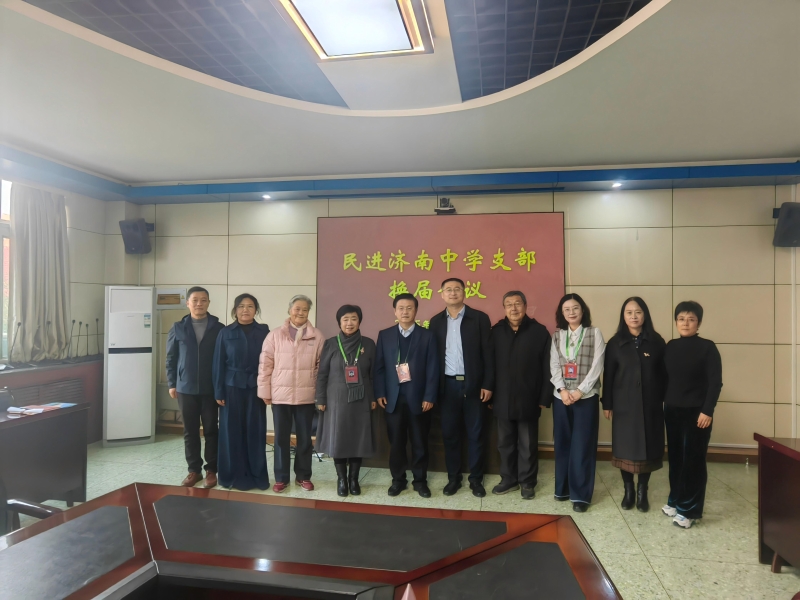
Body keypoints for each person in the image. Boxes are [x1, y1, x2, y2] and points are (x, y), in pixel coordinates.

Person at [429, 277, 494, 498]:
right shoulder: (436, 322)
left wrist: (488, 383)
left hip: (474, 385)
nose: (453, 292)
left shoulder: (479, 318)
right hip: (447, 386)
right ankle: (453, 479)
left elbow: (488, 354)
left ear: (464, 292)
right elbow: (433, 359)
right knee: (450, 435)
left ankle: (476, 480)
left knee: (476, 434)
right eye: (448, 289)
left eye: (457, 289)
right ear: (442, 294)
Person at [602, 297, 666, 513]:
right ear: (623, 316)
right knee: (625, 448)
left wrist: (663, 399)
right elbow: (609, 375)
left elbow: (664, 374)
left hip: (650, 404)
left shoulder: (656, 341)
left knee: (648, 448)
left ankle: (642, 492)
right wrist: (607, 403)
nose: (634, 316)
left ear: (645, 314)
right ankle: (628, 491)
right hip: (624, 405)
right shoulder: (615, 343)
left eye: (638, 312)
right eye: (629, 312)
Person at [662, 301, 722, 529]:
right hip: (673, 410)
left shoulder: (708, 347)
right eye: (681, 319)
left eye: (691, 319)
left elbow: (715, 382)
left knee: (693, 461)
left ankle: (690, 510)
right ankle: (676, 500)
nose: (685, 323)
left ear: (699, 323)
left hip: (697, 413)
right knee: (676, 458)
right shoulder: (670, 346)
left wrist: (708, 410)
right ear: (676, 321)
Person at [257, 295, 324, 493]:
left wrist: (318, 392)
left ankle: (303, 476)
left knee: (305, 438)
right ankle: (281, 478)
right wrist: (265, 391)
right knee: (280, 438)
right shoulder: (275, 335)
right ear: (289, 310)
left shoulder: (317, 336)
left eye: (305, 309)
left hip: (306, 396)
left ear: (309, 312)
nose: (300, 313)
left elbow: (321, 367)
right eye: (297, 309)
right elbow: (265, 365)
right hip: (280, 395)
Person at [375, 293, 439, 498]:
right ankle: (398, 480)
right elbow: (379, 368)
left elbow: (433, 369)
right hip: (392, 399)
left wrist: (429, 396)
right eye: (401, 308)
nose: (405, 312)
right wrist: (380, 392)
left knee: (420, 442)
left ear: (416, 311)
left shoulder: (427, 336)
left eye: (409, 308)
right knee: (396, 443)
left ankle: (420, 481)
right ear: (395, 311)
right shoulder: (385, 335)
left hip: (419, 399)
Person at [490, 291, 552, 500]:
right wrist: (489, 393)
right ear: (504, 309)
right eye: (509, 304)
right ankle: (508, 479)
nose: (513, 308)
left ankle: (527, 482)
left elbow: (547, 367)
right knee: (504, 443)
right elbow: (489, 365)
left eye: (517, 304)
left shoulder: (539, 332)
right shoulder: (496, 332)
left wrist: (544, 397)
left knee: (528, 444)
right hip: (502, 397)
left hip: (529, 397)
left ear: (525, 306)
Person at [549, 293, 606, 512]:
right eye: (567, 309)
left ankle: (580, 496)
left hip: (586, 397)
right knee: (562, 443)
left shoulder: (594, 333)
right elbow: (554, 365)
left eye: (575, 308)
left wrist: (580, 391)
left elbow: (597, 365)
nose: (571, 312)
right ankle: (562, 489)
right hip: (561, 397)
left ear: (583, 310)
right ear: (561, 313)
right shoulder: (557, 336)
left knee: (582, 445)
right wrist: (562, 390)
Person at [166, 286, 225, 488]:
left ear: (208, 303)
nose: (199, 304)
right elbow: (171, 358)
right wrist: (172, 383)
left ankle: (211, 470)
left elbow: (223, 359)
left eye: (203, 300)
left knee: (211, 430)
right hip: (185, 388)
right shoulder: (178, 327)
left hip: (211, 389)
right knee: (190, 431)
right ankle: (194, 470)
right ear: (188, 303)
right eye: (195, 300)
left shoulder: (219, 328)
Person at [315, 305, 377, 497]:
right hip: (336, 400)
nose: (349, 323)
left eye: (354, 319)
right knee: (339, 438)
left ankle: (354, 479)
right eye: (345, 319)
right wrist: (320, 398)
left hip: (361, 398)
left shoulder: (368, 344)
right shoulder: (330, 344)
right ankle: (341, 479)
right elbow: (322, 374)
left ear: (359, 321)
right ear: (339, 322)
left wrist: (373, 397)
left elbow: (374, 374)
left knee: (358, 438)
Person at [213, 293, 270, 491]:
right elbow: (218, 363)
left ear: (256, 310)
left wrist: (268, 389)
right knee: (231, 432)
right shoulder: (225, 332)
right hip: (231, 387)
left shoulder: (264, 332)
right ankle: (230, 476)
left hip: (256, 387)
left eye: (250, 306)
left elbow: (270, 362)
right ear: (235, 310)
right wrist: (218, 391)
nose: (245, 310)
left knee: (256, 431)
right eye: (241, 306)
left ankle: (257, 476)